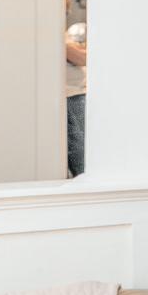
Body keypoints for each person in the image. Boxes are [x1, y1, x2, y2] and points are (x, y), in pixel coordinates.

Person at [64, 21, 87, 178]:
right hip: (72, 96)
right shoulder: (57, 39)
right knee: (79, 146)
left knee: (80, 143)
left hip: (76, 94)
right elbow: (82, 58)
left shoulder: (64, 38)